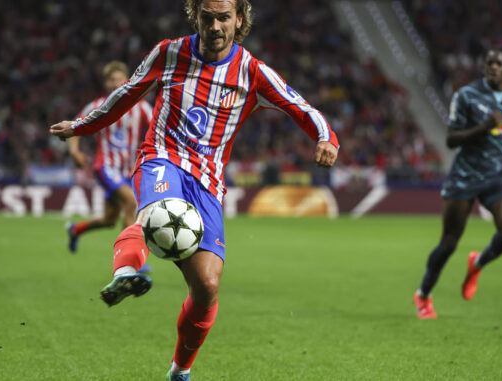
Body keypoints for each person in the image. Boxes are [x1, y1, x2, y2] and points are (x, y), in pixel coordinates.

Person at [49, 1, 339, 379]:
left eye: (223, 18)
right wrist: (82, 127)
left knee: (207, 286)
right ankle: (125, 272)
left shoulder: (252, 72)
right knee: (154, 214)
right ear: (196, 16)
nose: (215, 26)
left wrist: (326, 137)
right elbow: (126, 93)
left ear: (239, 19)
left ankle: (179, 371)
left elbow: (303, 108)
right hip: (161, 158)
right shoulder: (169, 52)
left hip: (209, 183)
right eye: (207, 17)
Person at [412, 48, 502, 319]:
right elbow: (451, 139)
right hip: (464, 176)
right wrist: (484, 126)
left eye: (499, 63)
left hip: (496, 175)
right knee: (449, 243)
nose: (494, 67)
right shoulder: (466, 96)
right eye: (489, 62)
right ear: (483, 68)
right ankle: (423, 295)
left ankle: (477, 263)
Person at [65, 61, 152, 256]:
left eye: (120, 80)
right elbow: (75, 127)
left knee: (109, 220)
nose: (117, 83)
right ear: (106, 83)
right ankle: (129, 258)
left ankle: (75, 229)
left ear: (128, 81)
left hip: (128, 171)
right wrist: (74, 151)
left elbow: (158, 127)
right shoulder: (96, 106)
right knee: (131, 203)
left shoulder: (142, 107)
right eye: (113, 80)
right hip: (106, 166)